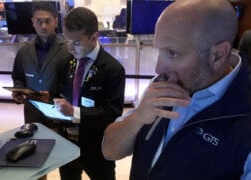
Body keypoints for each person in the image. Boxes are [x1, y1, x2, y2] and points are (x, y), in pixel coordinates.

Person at [102, 0, 251, 179]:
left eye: (172, 53)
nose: (158, 68)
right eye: (159, 51)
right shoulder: (164, 83)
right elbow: (109, 151)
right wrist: (137, 118)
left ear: (217, 55)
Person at [50, 7, 125, 180]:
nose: (69, 48)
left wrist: (74, 112)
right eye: (67, 41)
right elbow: (57, 93)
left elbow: (112, 113)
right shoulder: (65, 62)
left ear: (94, 37)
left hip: (97, 147)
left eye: (76, 43)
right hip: (67, 142)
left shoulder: (112, 69)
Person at [11, 1, 71, 127]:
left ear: (55, 21)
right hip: (32, 114)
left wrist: (52, 96)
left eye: (48, 21)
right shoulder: (24, 51)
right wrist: (18, 91)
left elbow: (72, 86)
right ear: (33, 22)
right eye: (39, 21)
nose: (43, 26)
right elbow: (18, 77)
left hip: (59, 115)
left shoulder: (68, 51)